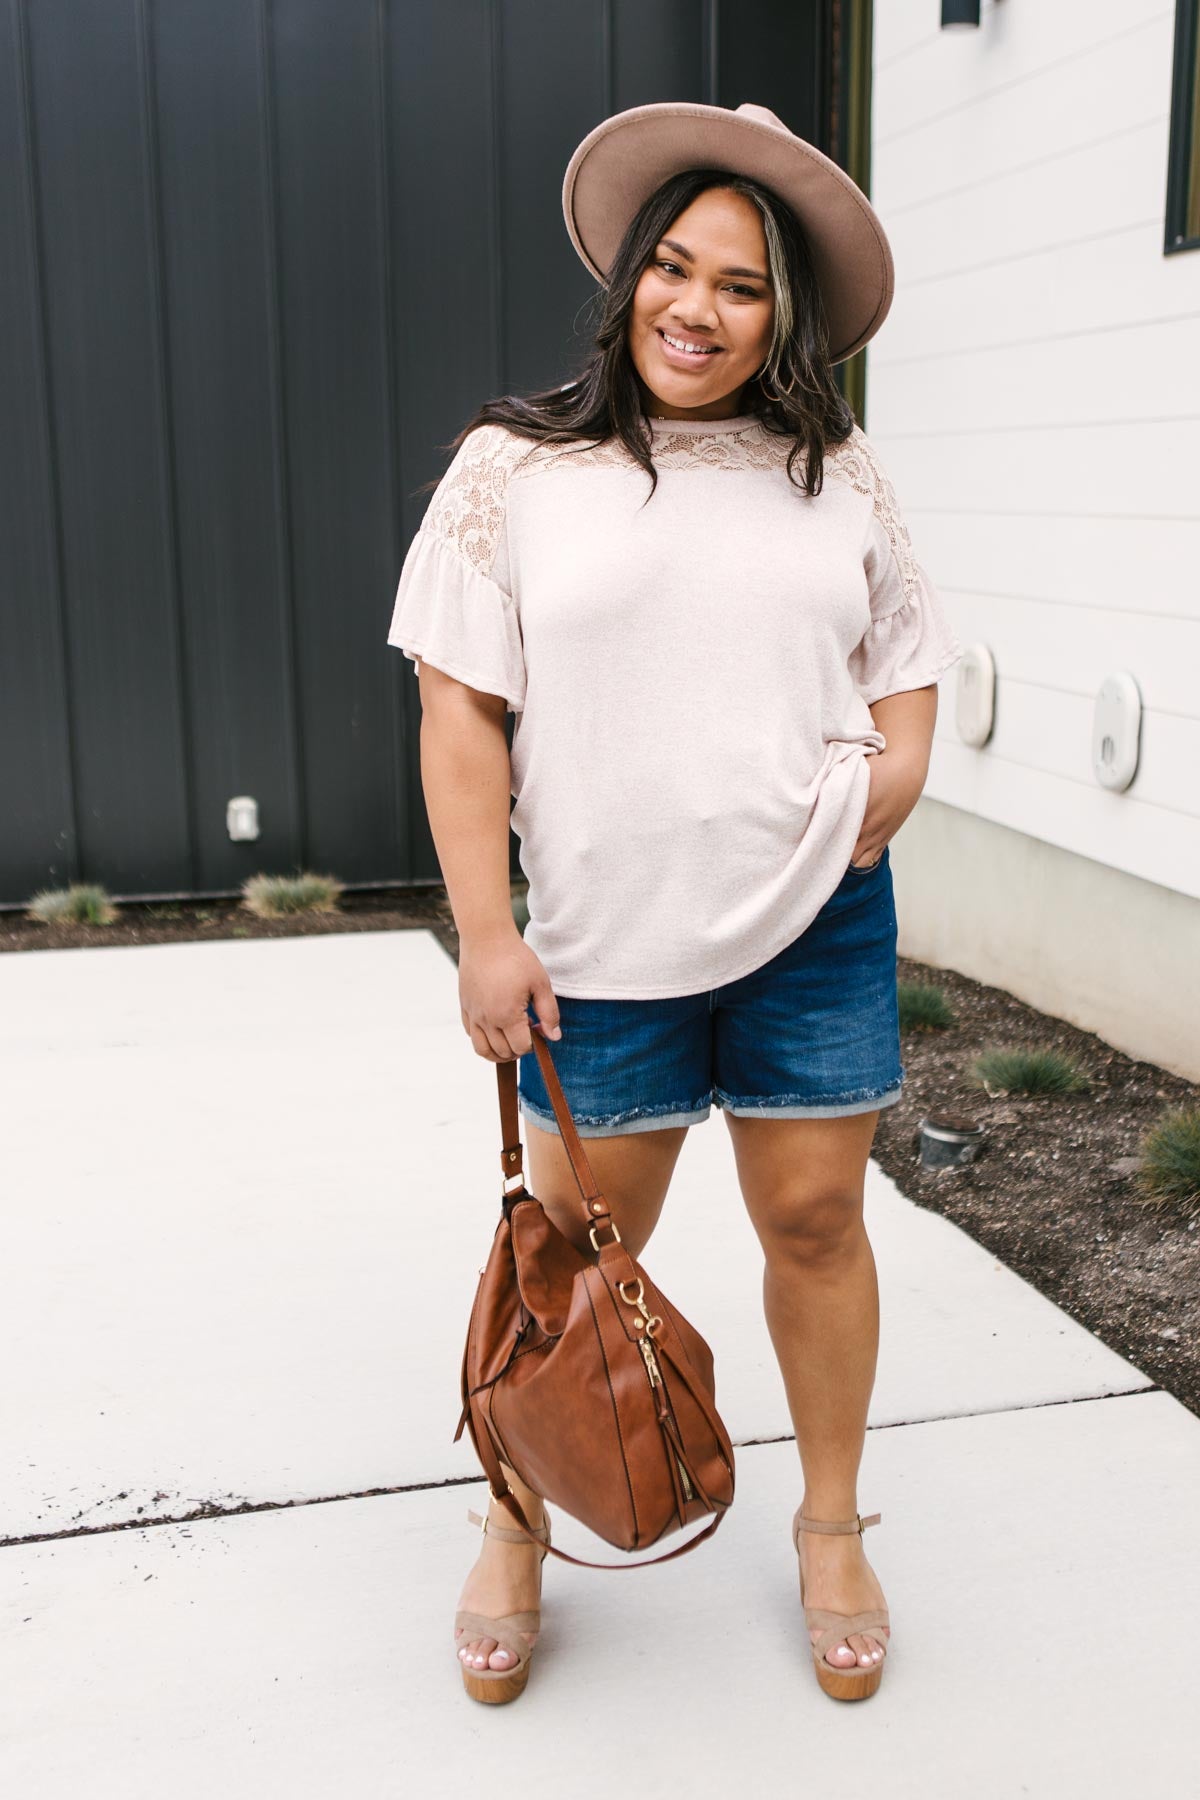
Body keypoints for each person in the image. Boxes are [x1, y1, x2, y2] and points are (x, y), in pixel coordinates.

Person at [387, 101, 963, 1705]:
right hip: (598, 939)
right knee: (570, 1248)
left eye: (741, 287)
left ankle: (831, 1524)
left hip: (813, 926)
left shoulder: (835, 471)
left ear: (786, 317)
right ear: (631, 273)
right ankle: (517, 1526)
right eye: (673, 268)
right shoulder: (519, 469)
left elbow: (909, 676)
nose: (693, 310)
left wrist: (877, 793)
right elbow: (460, 717)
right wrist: (486, 933)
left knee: (815, 1223)